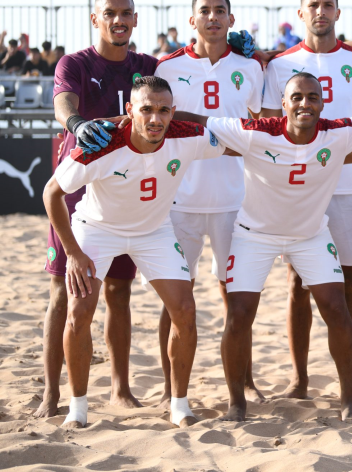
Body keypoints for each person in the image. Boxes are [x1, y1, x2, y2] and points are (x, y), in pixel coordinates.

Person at [174, 73, 352, 422]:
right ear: (284, 103)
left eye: (313, 97)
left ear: (323, 102)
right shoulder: (257, 131)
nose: (304, 104)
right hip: (255, 235)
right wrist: (135, 118)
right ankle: (237, 404)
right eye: (296, 97)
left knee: (337, 311)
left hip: (311, 235)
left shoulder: (339, 130)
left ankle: (348, 401)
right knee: (239, 316)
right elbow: (200, 121)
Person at [42, 75, 227, 429]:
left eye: (162, 111)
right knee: (80, 313)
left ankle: (180, 405)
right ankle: (77, 410)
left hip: (154, 232)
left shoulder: (187, 136)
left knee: (185, 311)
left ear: (173, 112)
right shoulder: (102, 143)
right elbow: (52, 193)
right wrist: (74, 253)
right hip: (97, 229)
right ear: (129, 111)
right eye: (145, 110)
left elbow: (243, 138)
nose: (155, 119)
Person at [34, 0, 158, 419]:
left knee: (119, 292)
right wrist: (76, 122)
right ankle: (52, 394)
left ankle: (120, 389)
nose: (118, 20)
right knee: (63, 291)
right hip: (75, 191)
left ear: (136, 20)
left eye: (126, 13)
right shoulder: (76, 63)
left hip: (123, 193)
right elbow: (62, 102)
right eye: (110, 13)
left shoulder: (147, 67)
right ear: (96, 19)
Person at [260, 0, 352, 400]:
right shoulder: (278, 65)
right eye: (312, 4)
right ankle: (299, 379)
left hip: (347, 187)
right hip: (297, 189)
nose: (320, 12)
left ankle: (348, 378)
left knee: (346, 281)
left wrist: (337, 158)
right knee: (298, 281)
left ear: (338, 12)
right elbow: (269, 127)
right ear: (301, 13)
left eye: (327, 5)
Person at [153, 0, 265, 409]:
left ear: (231, 20)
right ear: (192, 19)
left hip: (234, 201)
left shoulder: (251, 68)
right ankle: (169, 386)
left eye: (221, 11)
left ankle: (246, 381)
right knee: (176, 300)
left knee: (236, 300)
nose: (213, 17)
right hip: (178, 201)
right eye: (205, 11)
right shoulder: (169, 66)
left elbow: (263, 123)